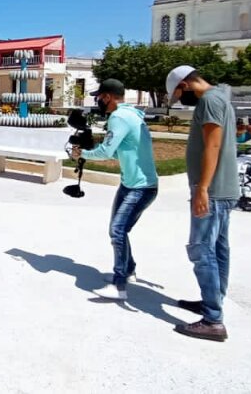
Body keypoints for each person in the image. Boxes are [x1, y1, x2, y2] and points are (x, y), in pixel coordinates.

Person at [166, 65, 240, 342]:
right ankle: (213, 300)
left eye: (178, 94)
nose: (180, 100)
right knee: (218, 247)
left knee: (200, 250)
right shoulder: (220, 96)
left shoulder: (209, 100)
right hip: (224, 188)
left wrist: (203, 189)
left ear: (185, 84)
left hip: (214, 189)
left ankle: (212, 319)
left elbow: (212, 145)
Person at [71, 79, 159, 301]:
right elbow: (120, 147)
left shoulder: (118, 117)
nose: (98, 100)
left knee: (117, 230)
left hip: (139, 186)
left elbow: (107, 152)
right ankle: (128, 270)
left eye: (99, 97)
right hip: (134, 184)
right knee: (119, 229)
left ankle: (119, 286)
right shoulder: (132, 114)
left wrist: (82, 154)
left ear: (108, 96)